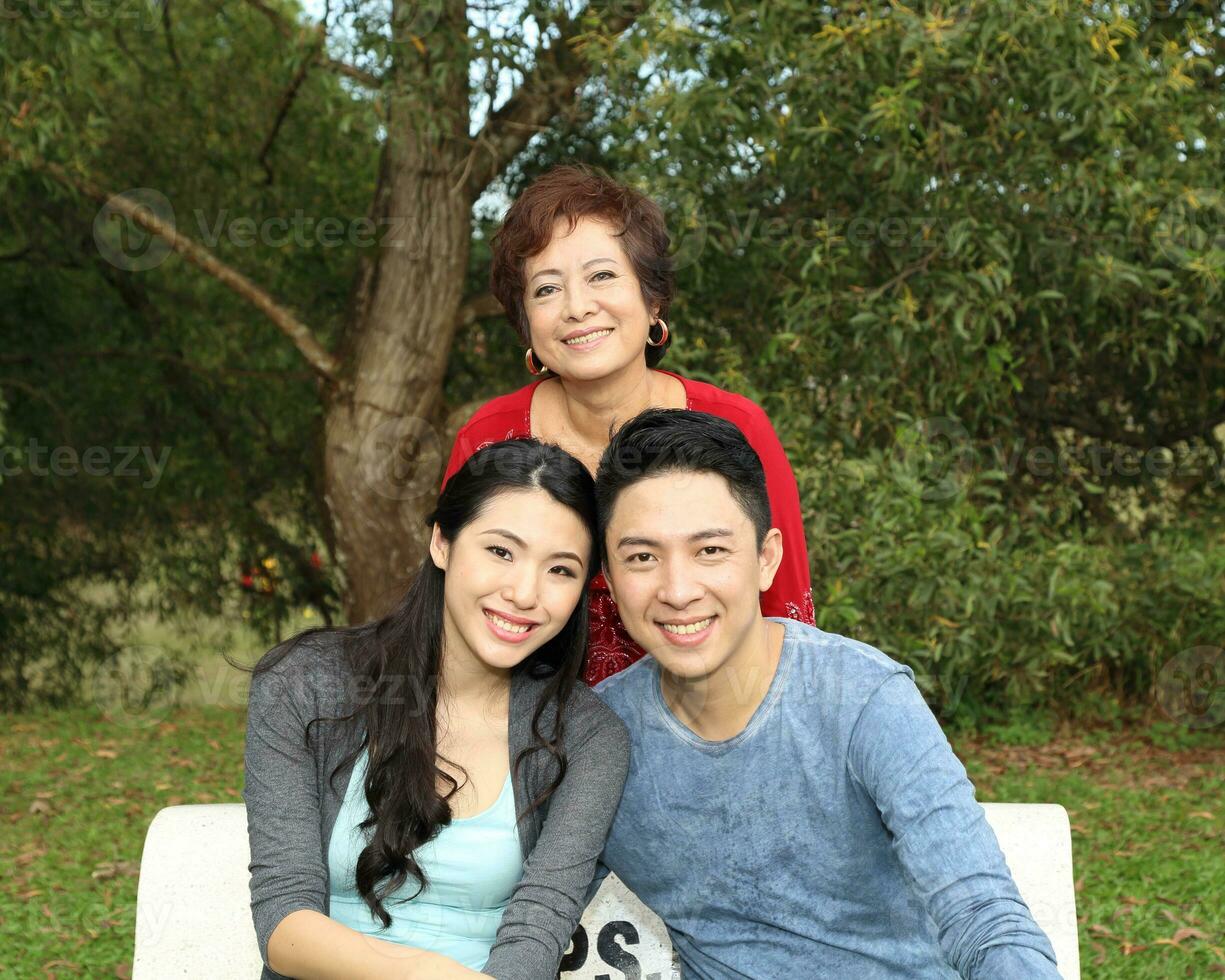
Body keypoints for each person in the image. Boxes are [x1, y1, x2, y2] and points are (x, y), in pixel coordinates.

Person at [588, 409, 1063, 979]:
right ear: (611, 583)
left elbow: (985, 918)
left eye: (710, 551)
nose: (678, 589)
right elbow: (526, 906)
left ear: (766, 559)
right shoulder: (602, 737)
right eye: (642, 557)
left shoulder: (863, 701)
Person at [243, 438, 629, 980]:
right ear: (442, 543)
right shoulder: (306, 684)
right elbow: (284, 921)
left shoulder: (588, 737)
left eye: (560, 570)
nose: (524, 592)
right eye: (500, 551)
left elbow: (538, 931)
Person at [443, 163, 814, 687]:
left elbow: (786, 615)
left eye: (601, 276)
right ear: (525, 322)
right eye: (547, 290)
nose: (576, 308)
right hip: (537, 740)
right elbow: (453, 620)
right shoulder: (488, 438)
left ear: (652, 297)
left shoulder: (736, 428)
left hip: (707, 727)